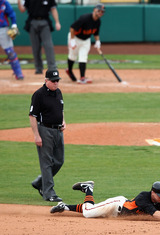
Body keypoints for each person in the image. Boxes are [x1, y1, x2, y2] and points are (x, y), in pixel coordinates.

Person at [50, 181, 160, 222]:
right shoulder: (143, 197)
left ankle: (64, 207)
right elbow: (155, 214)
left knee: (92, 209)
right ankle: (88, 188)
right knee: (88, 213)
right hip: (116, 206)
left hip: (116, 214)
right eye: (159, 196)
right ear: (153, 192)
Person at [29, 69, 66, 202]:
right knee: (46, 163)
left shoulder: (58, 92)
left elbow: (60, 109)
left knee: (59, 161)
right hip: (45, 130)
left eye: (57, 81)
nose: (56, 83)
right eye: (53, 81)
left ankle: (40, 182)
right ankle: (49, 193)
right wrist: (36, 135)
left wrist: (63, 121)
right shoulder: (39, 94)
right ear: (46, 81)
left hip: (58, 131)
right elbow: (32, 115)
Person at [17, 0, 61, 74]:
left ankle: (52, 67)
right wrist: (18, 2)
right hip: (32, 22)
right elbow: (22, 10)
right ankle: (38, 68)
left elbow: (53, 9)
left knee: (48, 45)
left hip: (45, 22)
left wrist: (57, 22)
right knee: (35, 47)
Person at [65, 4, 105, 84]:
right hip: (75, 37)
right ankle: (69, 70)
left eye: (102, 12)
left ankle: (82, 77)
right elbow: (72, 28)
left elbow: (96, 33)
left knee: (83, 57)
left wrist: (97, 41)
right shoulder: (85, 18)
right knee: (72, 56)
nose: (100, 13)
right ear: (94, 10)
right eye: (99, 10)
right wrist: (72, 40)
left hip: (86, 40)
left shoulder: (98, 22)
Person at [0, 0, 24, 80]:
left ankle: (18, 73)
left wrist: (14, 25)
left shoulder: (4, 2)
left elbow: (12, 14)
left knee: (10, 52)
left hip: (3, 29)